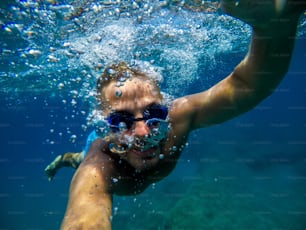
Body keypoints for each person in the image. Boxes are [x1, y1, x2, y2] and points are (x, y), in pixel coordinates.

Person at [51, 1, 306, 229]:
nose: (142, 132)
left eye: (153, 113)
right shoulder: (99, 163)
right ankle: (67, 158)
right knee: (80, 157)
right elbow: (85, 213)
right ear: (107, 125)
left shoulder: (178, 117)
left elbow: (247, 87)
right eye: (122, 122)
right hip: (90, 150)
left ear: (166, 107)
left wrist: (273, 27)